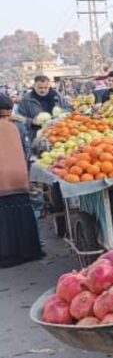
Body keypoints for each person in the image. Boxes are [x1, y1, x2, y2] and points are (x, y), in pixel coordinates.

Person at [0, 94, 43, 268]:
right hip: (17, 174)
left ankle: (6, 255)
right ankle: (29, 251)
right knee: (22, 209)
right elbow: (26, 151)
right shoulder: (15, 126)